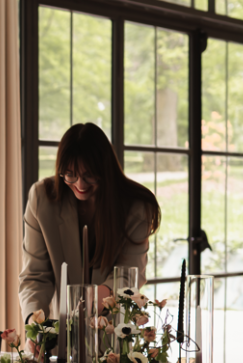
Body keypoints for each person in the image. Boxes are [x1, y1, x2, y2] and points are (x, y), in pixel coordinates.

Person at [19, 123, 161, 344]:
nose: (80, 184)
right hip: (61, 343)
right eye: (70, 175)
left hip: (112, 342)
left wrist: (102, 294)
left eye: (89, 176)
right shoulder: (42, 199)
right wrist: (35, 326)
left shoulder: (136, 206)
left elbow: (130, 274)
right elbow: (35, 276)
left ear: (105, 170)